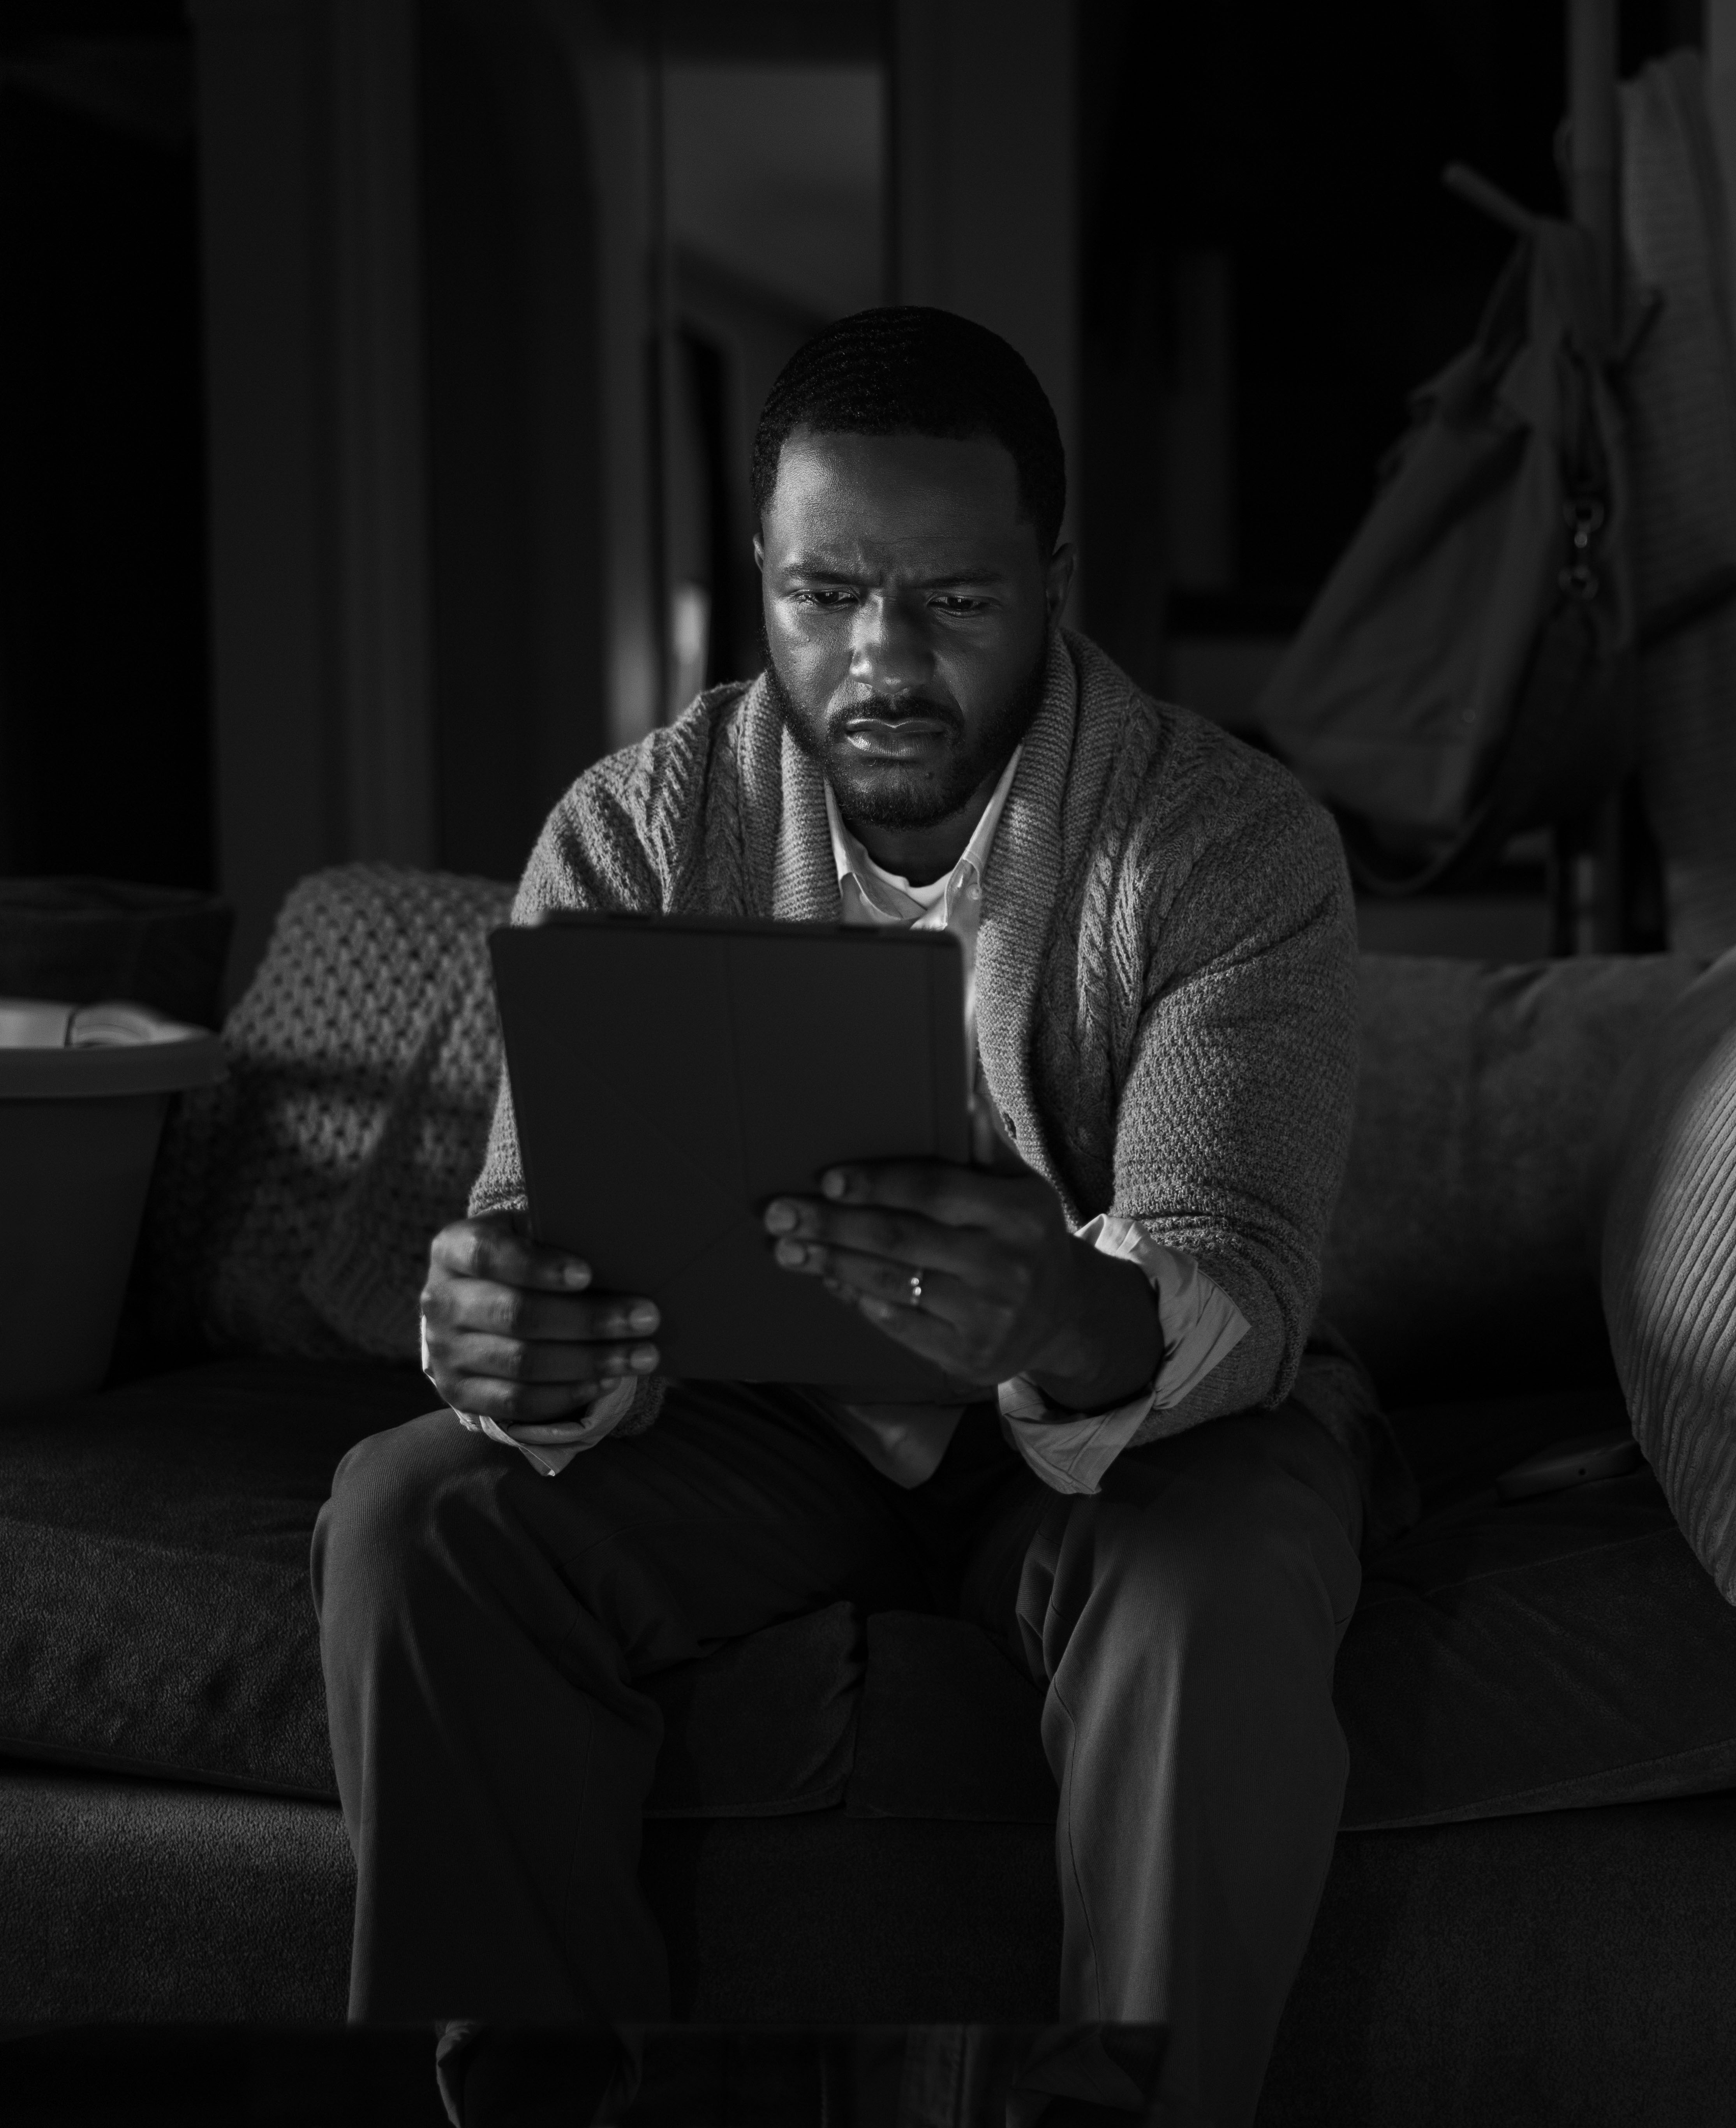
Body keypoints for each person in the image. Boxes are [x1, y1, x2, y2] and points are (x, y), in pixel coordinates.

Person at [312, 307, 1366, 2128]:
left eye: (952, 602)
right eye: (823, 597)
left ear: (1054, 576)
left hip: (1120, 1449)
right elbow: (525, 1221)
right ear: (764, 581)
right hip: (751, 1434)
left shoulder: (1224, 842)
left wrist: (1056, 1313)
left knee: (1220, 1580)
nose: (879, 660)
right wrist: (502, 1337)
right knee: (410, 1513)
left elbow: (1238, 1265)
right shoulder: (635, 831)